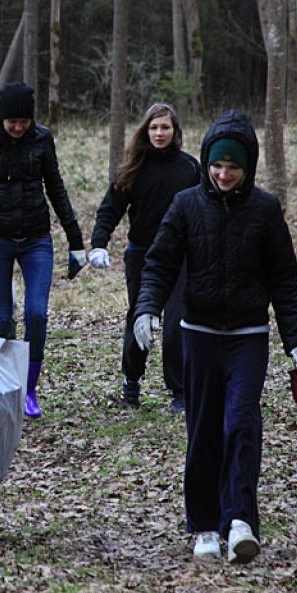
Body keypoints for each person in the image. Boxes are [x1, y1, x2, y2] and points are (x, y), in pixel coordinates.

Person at [132, 109, 297, 564]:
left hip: (248, 337)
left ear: (248, 166)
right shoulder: (187, 205)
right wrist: (147, 308)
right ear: (206, 162)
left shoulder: (266, 211)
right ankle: (204, 526)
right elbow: (158, 263)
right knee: (204, 430)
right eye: (217, 165)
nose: (224, 174)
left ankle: (241, 522)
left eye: (233, 166)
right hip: (198, 334)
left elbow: (285, 281)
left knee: (241, 425)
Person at [0, 81, 87, 419]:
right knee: (1, 319)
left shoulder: (42, 140)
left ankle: (29, 391)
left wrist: (75, 240)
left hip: (36, 239)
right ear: (1, 117)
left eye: (24, 122)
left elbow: (56, 187)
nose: (18, 128)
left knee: (37, 313)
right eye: (12, 122)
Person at [88, 102, 200, 414]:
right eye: (154, 127)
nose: (160, 133)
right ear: (145, 131)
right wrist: (99, 243)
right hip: (142, 255)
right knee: (140, 318)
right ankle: (131, 381)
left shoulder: (190, 169)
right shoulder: (132, 169)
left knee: (177, 321)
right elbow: (109, 210)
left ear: (175, 132)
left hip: (180, 256)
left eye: (165, 127)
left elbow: (205, 210)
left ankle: (179, 390)